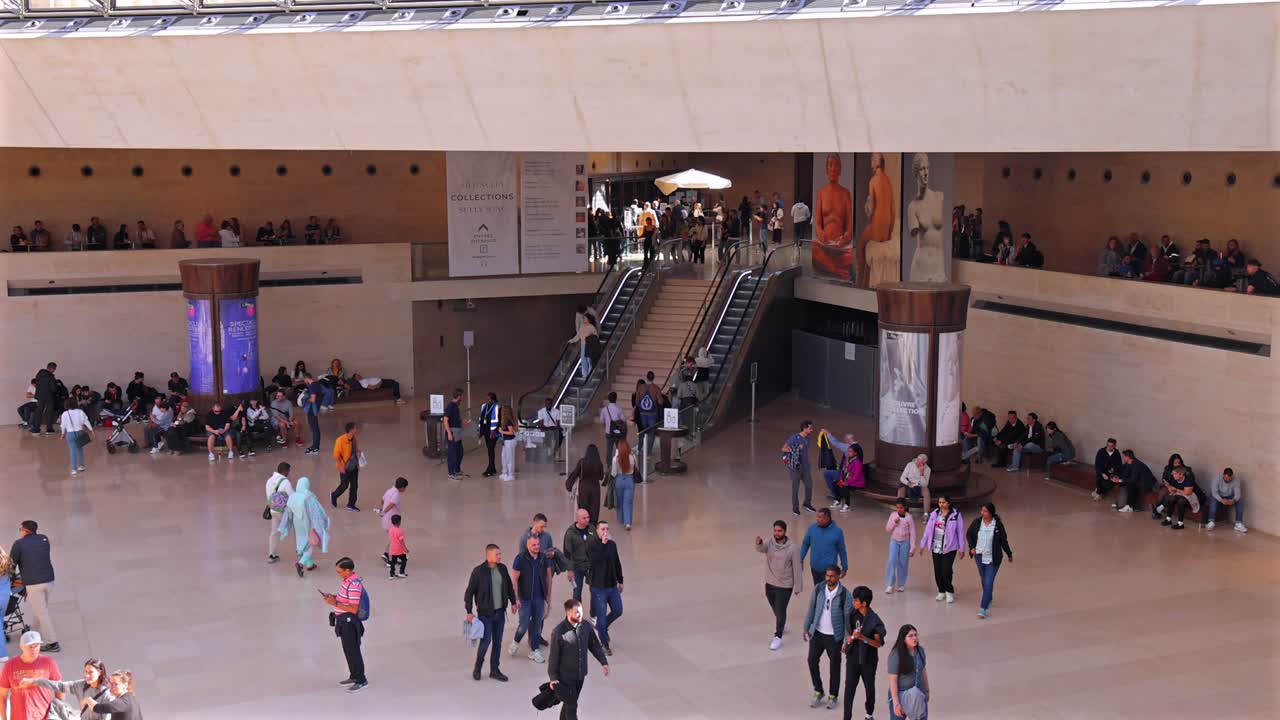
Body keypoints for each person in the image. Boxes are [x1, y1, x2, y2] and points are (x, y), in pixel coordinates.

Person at [547, 598, 610, 720]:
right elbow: (553, 658)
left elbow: (594, 645)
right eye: (577, 612)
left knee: (569, 704)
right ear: (568, 613)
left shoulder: (586, 626)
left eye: (581, 611)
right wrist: (553, 678)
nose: (580, 614)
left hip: (580, 676)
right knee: (572, 707)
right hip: (565, 679)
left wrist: (604, 662)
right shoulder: (559, 633)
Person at [464, 544, 517, 682]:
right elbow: (469, 592)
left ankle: (495, 670)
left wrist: (513, 602)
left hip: (500, 613)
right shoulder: (478, 572)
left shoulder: (502, 568)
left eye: (500, 554)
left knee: (498, 642)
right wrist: (469, 611)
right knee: (486, 641)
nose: (500, 556)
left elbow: (509, 587)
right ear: (488, 556)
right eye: (497, 554)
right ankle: (478, 667)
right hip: (485, 614)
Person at [802, 566, 850, 710]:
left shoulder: (845, 595)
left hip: (834, 638)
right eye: (827, 576)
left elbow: (848, 619)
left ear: (839, 576)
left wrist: (846, 640)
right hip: (817, 634)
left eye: (832, 576)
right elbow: (811, 609)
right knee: (811, 661)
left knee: (834, 667)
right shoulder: (819, 589)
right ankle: (818, 691)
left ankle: (833, 696)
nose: (829, 578)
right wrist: (806, 627)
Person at [319, 557, 368, 693]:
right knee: (347, 650)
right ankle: (354, 676)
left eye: (340, 572)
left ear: (348, 570)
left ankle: (361, 680)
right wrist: (334, 597)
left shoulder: (354, 585)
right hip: (343, 621)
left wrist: (334, 603)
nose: (338, 574)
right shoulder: (347, 581)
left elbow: (353, 608)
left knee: (353, 651)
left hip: (349, 623)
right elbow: (345, 600)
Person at [9, 523, 59, 653]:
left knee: (42, 612)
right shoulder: (44, 539)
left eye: (21, 529)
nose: (20, 532)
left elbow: (11, 566)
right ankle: (32, 632)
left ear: (25, 530)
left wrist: (12, 581)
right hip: (49, 580)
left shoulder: (19, 544)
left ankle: (52, 642)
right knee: (41, 609)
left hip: (34, 583)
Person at [755, 520, 804, 651]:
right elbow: (761, 549)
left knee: (781, 609)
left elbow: (797, 568)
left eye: (779, 531)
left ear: (784, 531)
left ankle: (778, 636)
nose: (777, 533)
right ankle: (781, 622)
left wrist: (798, 586)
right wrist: (759, 543)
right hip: (770, 582)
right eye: (775, 530)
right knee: (774, 606)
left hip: (785, 585)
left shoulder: (793, 548)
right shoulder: (769, 542)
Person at [842, 586, 886, 720]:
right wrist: (847, 641)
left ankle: (869, 714)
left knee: (869, 689)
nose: (853, 603)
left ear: (864, 603)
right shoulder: (851, 614)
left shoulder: (875, 621)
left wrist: (863, 638)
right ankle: (847, 717)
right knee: (849, 690)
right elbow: (848, 632)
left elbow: (878, 644)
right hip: (853, 659)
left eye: (855, 600)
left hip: (868, 661)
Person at [21, 657, 111, 720]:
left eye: (91, 672)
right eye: (85, 671)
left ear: (99, 672)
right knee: (55, 703)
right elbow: (59, 686)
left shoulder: (107, 695)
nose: (87, 675)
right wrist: (34, 681)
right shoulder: (81, 685)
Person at [966, 502, 1014, 619]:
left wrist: (1009, 553)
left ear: (991, 513)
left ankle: (983, 608)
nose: (982, 513)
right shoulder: (977, 522)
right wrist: (972, 547)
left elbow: (1003, 540)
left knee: (988, 582)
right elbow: (969, 534)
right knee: (984, 579)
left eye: (985, 511)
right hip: (979, 556)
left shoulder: (997, 525)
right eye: (982, 511)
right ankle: (988, 596)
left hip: (993, 558)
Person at [509, 536, 552, 664]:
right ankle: (516, 642)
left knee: (537, 625)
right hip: (525, 598)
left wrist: (548, 595)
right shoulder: (520, 559)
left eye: (538, 544)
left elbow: (549, 577)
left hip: (539, 598)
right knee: (524, 624)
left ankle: (535, 650)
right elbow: (515, 580)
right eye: (534, 545)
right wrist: (515, 598)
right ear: (528, 546)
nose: (537, 547)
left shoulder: (543, 558)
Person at [0, 631, 62, 720]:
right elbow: (2, 695)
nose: (33, 649)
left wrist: (59, 712)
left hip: (43, 717)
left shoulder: (49, 663)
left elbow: (59, 688)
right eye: (29, 646)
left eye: (36, 645)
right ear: (21, 646)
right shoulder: (10, 665)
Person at [278, 477, 331, 578]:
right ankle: (301, 563)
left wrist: (285, 526)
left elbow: (288, 512)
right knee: (311, 543)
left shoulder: (293, 496)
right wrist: (320, 524)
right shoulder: (309, 496)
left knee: (302, 541)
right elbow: (316, 511)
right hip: (308, 523)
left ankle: (309, 564)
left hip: (297, 523)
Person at [586, 521, 623, 655]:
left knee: (618, 610)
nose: (605, 531)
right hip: (598, 587)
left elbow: (617, 562)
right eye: (602, 529)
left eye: (607, 529)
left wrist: (620, 580)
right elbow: (595, 561)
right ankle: (604, 643)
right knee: (601, 615)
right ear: (597, 531)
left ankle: (601, 628)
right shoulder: (592, 545)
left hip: (612, 585)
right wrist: (603, 544)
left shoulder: (612, 545)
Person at [919, 496, 965, 604]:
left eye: (943, 502)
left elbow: (961, 532)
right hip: (936, 547)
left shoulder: (956, 515)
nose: (941, 505)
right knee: (938, 571)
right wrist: (922, 544)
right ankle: (941, 591)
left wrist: (962, 548)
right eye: (939, 502)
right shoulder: (934, 514)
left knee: (946, 570)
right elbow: (928, 530)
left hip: (950, 548)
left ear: (948, 503)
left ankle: (949, 591)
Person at [886, 625, 930, 720]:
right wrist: (896, 703)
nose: (914, 638)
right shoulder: (895, 655)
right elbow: (893, 681)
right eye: (910, 636)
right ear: (904, 639)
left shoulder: (920, 651)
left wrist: (926, 691)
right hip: (900, 695)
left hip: (918, 694)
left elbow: (923, 671)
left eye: (915, 635)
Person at [800, 508, 848, 587]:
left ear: (827, 518)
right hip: (814, 568)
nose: (817, 519)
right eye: (817, 517)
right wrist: (800, 559)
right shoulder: (812, 528)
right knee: (818, 591)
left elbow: (842, 551)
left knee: (828, 593)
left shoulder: (837, 532)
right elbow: (805, 544)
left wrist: (845, 567)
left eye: (820, 517)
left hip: (830, 572)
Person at [782, 420, 817, 516]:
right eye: (810, 428)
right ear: (805, 428)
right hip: (795, 467)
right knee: (795, 488)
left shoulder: (807, 439)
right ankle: (795, 508)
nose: (812, 430)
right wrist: (797, 448)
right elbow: (784, 448)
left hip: (805, 467)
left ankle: (807, 504)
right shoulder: (794, 438)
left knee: (809, 485)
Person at [884, 499, 917, 594]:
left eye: (901, 507)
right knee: (892, 561)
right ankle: (890, 584)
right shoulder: (893, 515)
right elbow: (888, 529)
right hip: (894, 541)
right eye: (897, 507)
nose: (899, 509)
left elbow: (913, 533)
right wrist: (894, 522)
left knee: (903, 563)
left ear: (905, 507)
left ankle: (901, 584)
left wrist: (912, 547)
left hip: (905, 542)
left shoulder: (909, 517)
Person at [566, 444, 605, 526]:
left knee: (583, 508)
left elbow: (575, 474)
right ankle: (593, 526)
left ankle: (583, 525)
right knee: (594, 509)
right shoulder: (599, 463)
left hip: (583, 488)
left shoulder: (582, 462)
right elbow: (601, 477)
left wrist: (569, 486)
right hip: (595, 488)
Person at [265, 462, 294, 565]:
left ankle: (272, 555)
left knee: (274, 532)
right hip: (284, 511)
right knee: (297, 529)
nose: (289, 473)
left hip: (273, 510)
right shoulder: (285, 482)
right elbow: (292, 497)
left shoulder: (269, 481)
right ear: (285, 471)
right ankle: (302, 552)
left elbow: (269, 496)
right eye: (289, 471)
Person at [562, 509, 594, 602]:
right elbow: (567, 553)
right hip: (577, 567)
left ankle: (594, 614)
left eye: (588, 517)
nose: (587, 519)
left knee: (595, 590)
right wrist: (570, 570)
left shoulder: (592, 529)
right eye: (584, 518)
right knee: (577, 592)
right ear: (578, 519)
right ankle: (576, 614)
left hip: (590, 566)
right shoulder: (570, 533)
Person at [377, 477, 409, 568]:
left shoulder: (389, 490)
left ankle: (386, 554)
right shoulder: (396, 494)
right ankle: (390, 559)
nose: (405, 489)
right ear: (402, 487)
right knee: (395, 539)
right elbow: (392, 504)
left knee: (393, 538)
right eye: (405, 487)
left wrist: (382, 509)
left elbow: (382, 500)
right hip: (392, 520)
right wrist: (385, 511)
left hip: (386, 519)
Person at [1156, 466, 1199, 530]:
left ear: (1181, 474)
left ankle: (1180, 523)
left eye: (1175, 474)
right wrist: (1168, 486)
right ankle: (1168, 519)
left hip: (1191, 499)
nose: (1173, 475)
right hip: (1179, 496)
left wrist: (1176, 489)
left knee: (1181, 501)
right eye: (1173, 474)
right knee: (1172, 498)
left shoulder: (1188, 480)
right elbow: (1172, 492)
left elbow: (1187, 493)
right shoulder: (1174, 480)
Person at [609, 438, 638, 530]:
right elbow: (636, 468)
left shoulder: (615, 459)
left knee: (619, 501)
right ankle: (628, 522)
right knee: (628, 502)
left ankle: (621, 519)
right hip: (630, 480)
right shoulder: (633, 457)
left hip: (619, 480)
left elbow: (613, 473)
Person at [58, 398, 92, 475]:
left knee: (72, 451)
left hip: (70, 434)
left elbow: (63, 425)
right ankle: (81, 466)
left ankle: (74, 469)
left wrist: (63, 434)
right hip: (79, 432)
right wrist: (91, 429)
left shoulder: (65, 414)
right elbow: (86, 421)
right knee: (80, 449)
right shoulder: (80, 412)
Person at [331, 422, 361, 511]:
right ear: (351, 430)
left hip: (354, 466)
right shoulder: (340, 440)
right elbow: (336, 455)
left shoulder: (355, 439)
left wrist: (358, 460)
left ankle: (351, 504)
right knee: (344, 485)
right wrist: (340, 466)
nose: (356, 430)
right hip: (345, 467)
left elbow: (356, 451)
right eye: (355, 428)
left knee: (354, 486)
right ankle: (334, 495)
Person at [1207, 468, 1247, 533]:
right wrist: (1221, 500)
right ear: (1223, 475)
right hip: (1219, 495)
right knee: (1213, 499)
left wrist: (1233, 501)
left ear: (1232, 476)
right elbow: (1214, 492)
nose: (1228, 480)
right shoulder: (1217, 479)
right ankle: (1211, 522)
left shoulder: (1236, 481)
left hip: (1229, 496)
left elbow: (1237, 494)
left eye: (1229, 479)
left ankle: (1238, 523)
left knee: (1240, 500)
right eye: (1226, 478)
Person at [897, 455, 932, 519]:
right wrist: (908, 483)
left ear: (924, 463)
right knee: (900, 491)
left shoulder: (928, 469)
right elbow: (902, 478)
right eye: (917, 461)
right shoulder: (910, 464)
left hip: (919, 486)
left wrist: (921, 474)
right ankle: (901, 513)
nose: (918, 463)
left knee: (927, 492)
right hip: (908, 484)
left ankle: (926, 515)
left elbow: (925, 485)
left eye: (920, 462)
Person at [599, 392, 627, 472]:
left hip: (608, 432)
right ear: (616, 399)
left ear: (608, 399)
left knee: (609, 448)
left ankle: (608, 465)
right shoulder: (619, 409)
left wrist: (606, 425)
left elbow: (601, 420)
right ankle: (618, 463)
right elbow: (623, 420)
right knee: (618, 448)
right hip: (617, 432)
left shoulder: (604, 409)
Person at [444, 388, 466, 479]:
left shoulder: (456, 406)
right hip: (452, 432)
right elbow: (445, 420)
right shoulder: (451, 406)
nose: (462, 398)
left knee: (459, 452)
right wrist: (449, 433)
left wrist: (463, 422)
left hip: (457, 432)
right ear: (459, 396)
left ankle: (457, 470)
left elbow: (455, 419)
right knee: (452, 453)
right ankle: (451, 473)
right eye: (462, 396)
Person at [32, 362, 58, 437]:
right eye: (54, 369)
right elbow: (54, 388)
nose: (54, 371)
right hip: (49, 397)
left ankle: (36, 429)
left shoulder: (38, 374)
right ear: (52, 368)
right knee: (49, 413)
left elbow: (36, 385)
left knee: (38, 412)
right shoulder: (51, 376)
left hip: (39, 396)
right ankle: (49, 429)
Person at [479, 392, 501, 478]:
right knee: (489, 450)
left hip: (493, 432)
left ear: (493, 400)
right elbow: (481, 418)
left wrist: (493, 431)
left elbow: (496, 420)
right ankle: (493, 467)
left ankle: (490, 469)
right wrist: (480, 431)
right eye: (487, 399)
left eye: (489, 399)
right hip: (486, 431)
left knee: (491, 449)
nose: (487, 400)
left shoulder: (496, 407)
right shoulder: (484, 406)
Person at [498, 406, 519, 482]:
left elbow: (511, 432)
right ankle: (504, 472)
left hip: (510, 441)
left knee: (509, 458)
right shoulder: (504, 421)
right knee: (504, 456)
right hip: (506, 441)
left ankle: (511, 475)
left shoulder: (508, 421)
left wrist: (501, 431)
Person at [386, 514, 409, 580]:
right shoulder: (400, 531)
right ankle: (401, 572)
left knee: (393, 562)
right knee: (404, 560)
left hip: (392, 549)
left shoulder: (390, 530)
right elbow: (401, 541)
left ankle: (391, 574)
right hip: (399, 549)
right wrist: (405, 548)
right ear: (399, 522)